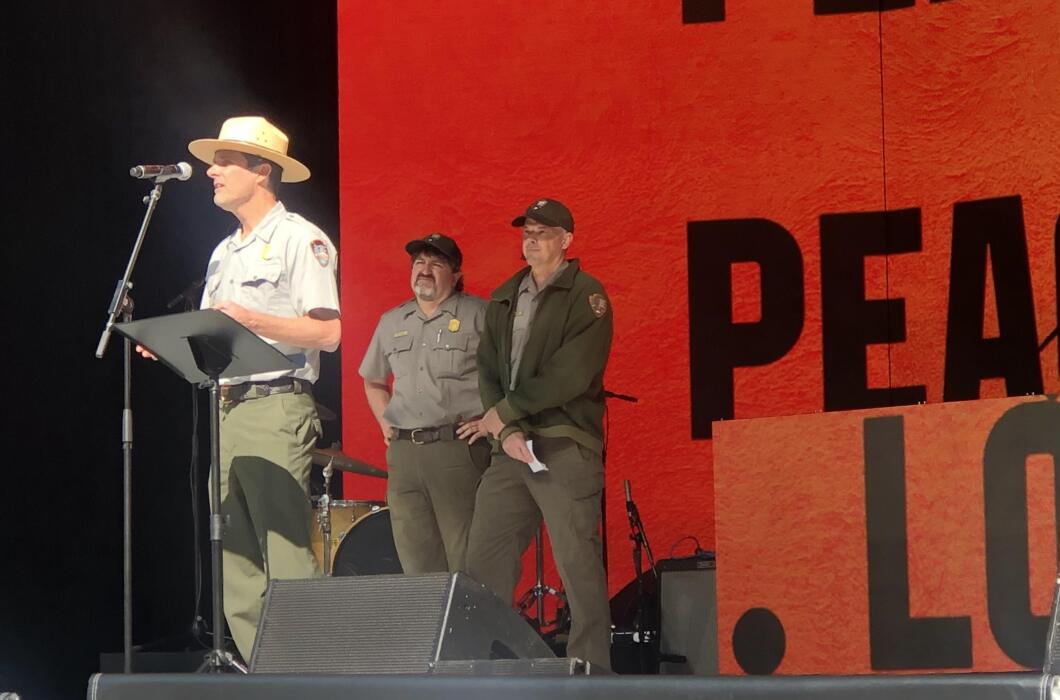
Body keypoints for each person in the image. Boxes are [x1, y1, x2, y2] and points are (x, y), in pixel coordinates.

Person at [183, 115, 340, 661]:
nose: (211, 171)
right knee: (235, 559)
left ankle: (316, 677)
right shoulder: (224, 252)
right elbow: (217, 333)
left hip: (275, 406)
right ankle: (266, 673)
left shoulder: (301, 240)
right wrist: (173, 345)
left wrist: (254, 319)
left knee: (285, 551)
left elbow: (328, 331)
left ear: (263, 172)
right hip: (226, 408)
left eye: (225, 161)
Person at [466, 198, 613, 669]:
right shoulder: (505, 295)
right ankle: (488, 664)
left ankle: (591, 671)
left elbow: (570, 374)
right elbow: (487, 368)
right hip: (511, 447)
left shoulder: (588, 296)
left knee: (576, 562)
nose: (531, 238)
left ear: (567, 240)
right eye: (526, 230)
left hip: (564, 442)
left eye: (543, 231)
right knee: (484, 557)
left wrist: (506, 412)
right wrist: (506, 427)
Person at [360, 233, 489, 574]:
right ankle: (430, 627)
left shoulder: (480, 314)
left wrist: (492, 419)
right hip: (404, 455)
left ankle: (470, 627)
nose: (425, 270)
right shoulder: (392, 321)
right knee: (415, 557)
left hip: (456, 450)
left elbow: (510, 375)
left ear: (456, 274)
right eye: (419, 262)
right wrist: (384, 421)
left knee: (466, 557)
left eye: (436, 263)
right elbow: (373, 381)